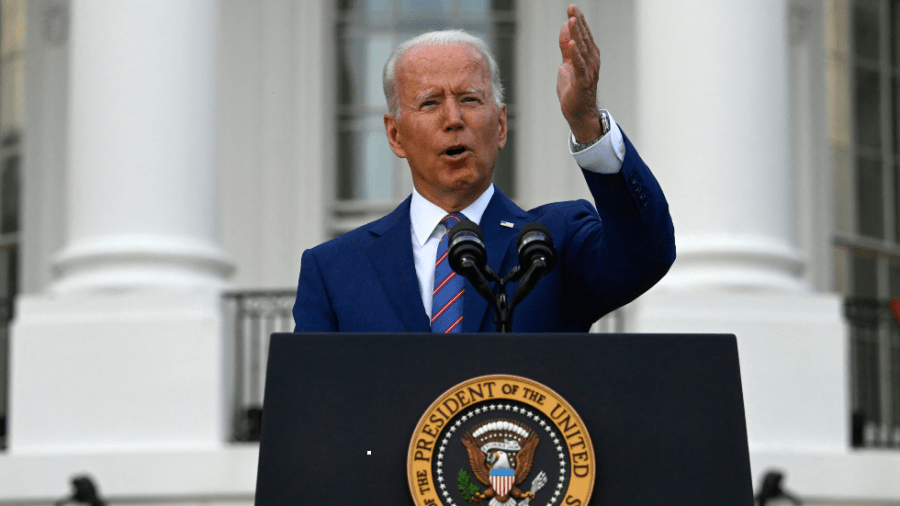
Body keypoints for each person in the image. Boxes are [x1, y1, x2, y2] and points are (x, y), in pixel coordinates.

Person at [293, 5, 675, 333]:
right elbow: (309, 403)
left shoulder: (554, 243)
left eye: (470, 99)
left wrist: (587, 123)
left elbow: (646, 255)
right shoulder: (334, 270)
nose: (454, 118)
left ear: (501, 126)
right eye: (429, 104)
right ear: (395, 136)